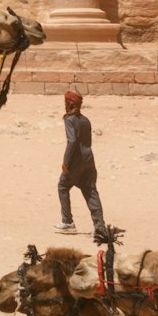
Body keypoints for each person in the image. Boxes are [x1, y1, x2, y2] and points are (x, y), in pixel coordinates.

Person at [54, 89, 107, 242]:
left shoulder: (69, 120)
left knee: (63, 186)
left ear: (68, 103)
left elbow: (72, 141)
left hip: (76, 161)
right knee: (91, 191)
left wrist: (66, 162)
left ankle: (67, 222)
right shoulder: (85, 120)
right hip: (89, 160)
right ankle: (100, 227)